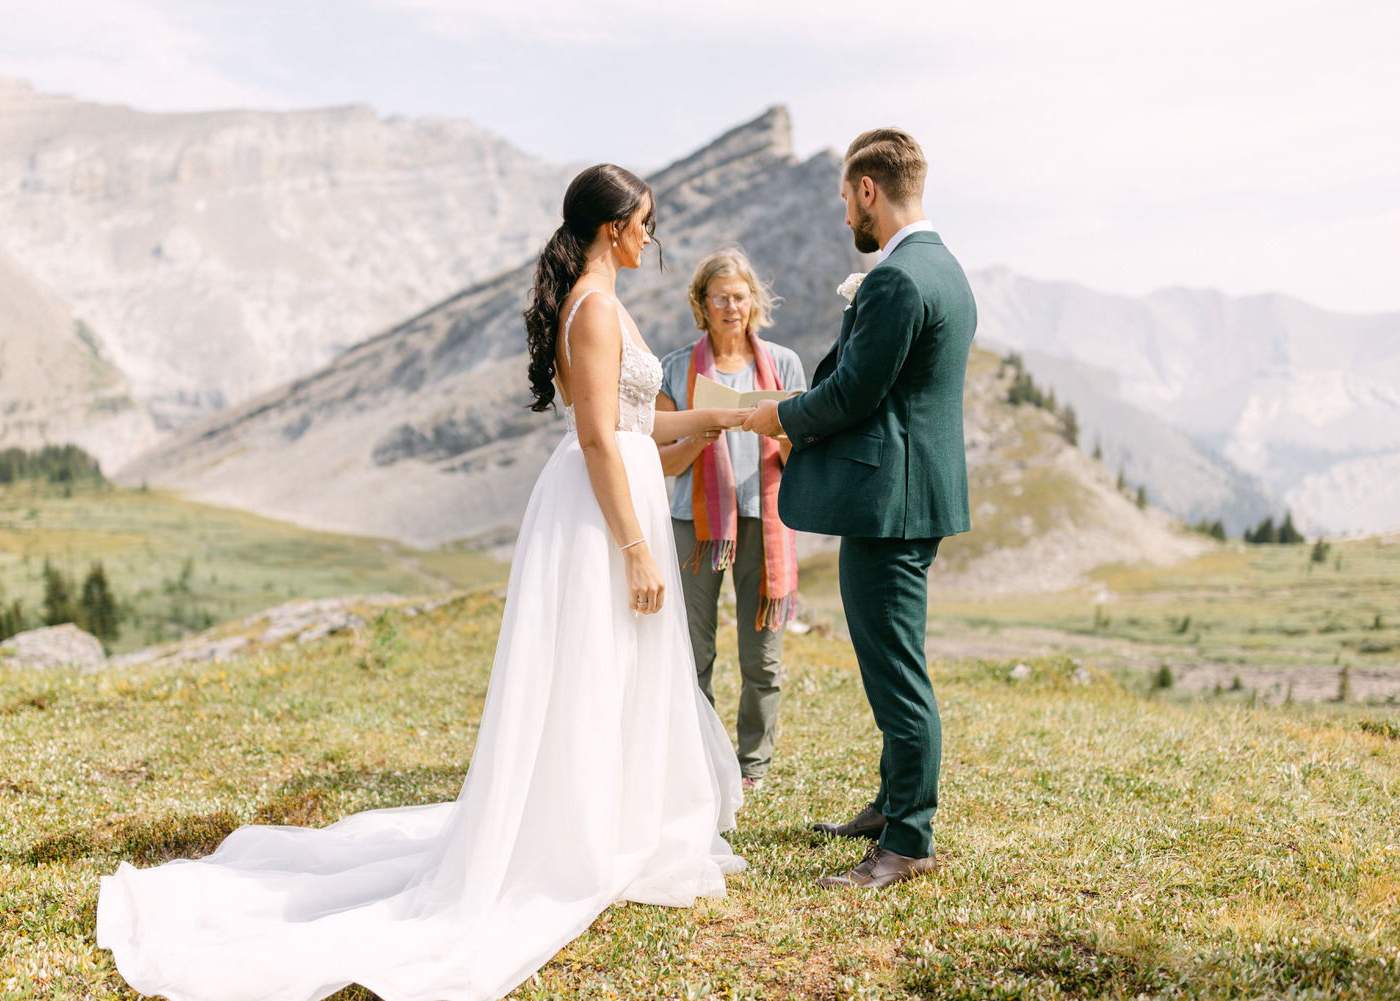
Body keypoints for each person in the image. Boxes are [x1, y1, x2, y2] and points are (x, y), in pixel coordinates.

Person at [97, 164, 754, 1001]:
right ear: (610, 228)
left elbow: (635, 423)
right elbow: (597, 438)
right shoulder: (592, 310)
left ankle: (612, 822)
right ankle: (577, 838)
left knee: (616, 670)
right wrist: (633, 543)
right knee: (591, 669)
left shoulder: (608, 300)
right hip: (600, 512)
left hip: (622, 491)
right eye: (644, 223)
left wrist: (718, 417)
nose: (651, 237)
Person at [743, 128, 976, 889]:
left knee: (897, 671)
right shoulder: (946, 269)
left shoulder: (899, 279)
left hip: (892, 507)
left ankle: (908, 839)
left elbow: (852, 395)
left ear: (868, 190)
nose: (847, 211)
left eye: (847, 196)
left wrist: (777, 415)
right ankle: (889, 803)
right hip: (915, 497)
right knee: (888, 662)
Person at [655, 248, 807, 793]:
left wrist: (782, 432)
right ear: (702, 302)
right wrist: (699, 435)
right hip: (692, 525)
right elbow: (660, 459)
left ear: (753, 302)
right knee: (693, 648)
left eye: (739, 296)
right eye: (719, 297)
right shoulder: (675, 368)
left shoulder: (785, 365)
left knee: (762, 654)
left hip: (764, 520)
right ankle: (695, 756)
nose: (730, 306)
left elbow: (802, 458)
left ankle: (752, 765)